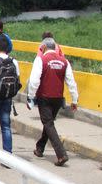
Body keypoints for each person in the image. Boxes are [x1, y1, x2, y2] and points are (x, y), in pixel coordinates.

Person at [27, 38, 79, 166]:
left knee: (48, 124)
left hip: (44, 97)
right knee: (48, 122)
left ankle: (61, 154)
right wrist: (74, 99)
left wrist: (30, 97)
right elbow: (71, 82)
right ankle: (40, 148)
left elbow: (34, 81)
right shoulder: (64, 61)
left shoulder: (41, 60)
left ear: (43, 47)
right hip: (58, 98)